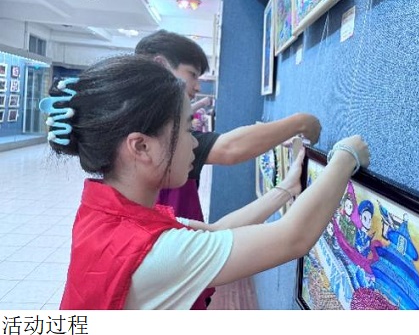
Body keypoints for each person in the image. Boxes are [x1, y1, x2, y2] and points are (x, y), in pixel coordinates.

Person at [39, 55, 370, 310]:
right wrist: (346, 157)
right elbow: (292, 238)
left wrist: (286, 189)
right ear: (141, 147)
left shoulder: (107, 215)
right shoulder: (154, 253)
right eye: (187, 129)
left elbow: (216, 232)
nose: (195, 142)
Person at [135, 30, 322, 222]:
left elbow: (214, 232)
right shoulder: (154, 126)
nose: (198, 87)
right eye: (192, 74)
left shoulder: (146, 117)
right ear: (161, 65)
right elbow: (229, 148)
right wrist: (300, 123)